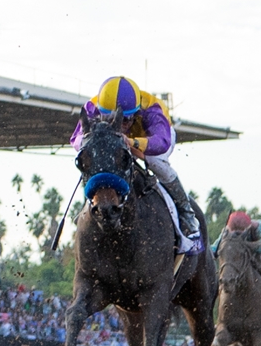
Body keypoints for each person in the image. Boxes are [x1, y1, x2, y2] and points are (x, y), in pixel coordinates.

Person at [69, 76, 198, 244]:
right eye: (110, 118)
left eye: (126, 120)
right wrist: (90, 142)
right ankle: (90, 205)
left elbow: (162, 142)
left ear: (136, 113)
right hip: (112, 139)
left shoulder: (152, 110)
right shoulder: (92, 107)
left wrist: (132, 142)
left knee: (155, 161)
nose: (121, 124)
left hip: (150, 137)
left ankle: (186, 211)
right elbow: (76, 139)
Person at [222, 211, 261, 311]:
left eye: (240, 233)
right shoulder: (226, 230)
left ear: (248, 229)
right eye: (235, 234)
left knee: (260, 262)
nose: (237, 235)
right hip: (243, 246)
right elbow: (217, 245)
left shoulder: (260, 228)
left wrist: (246, 246)